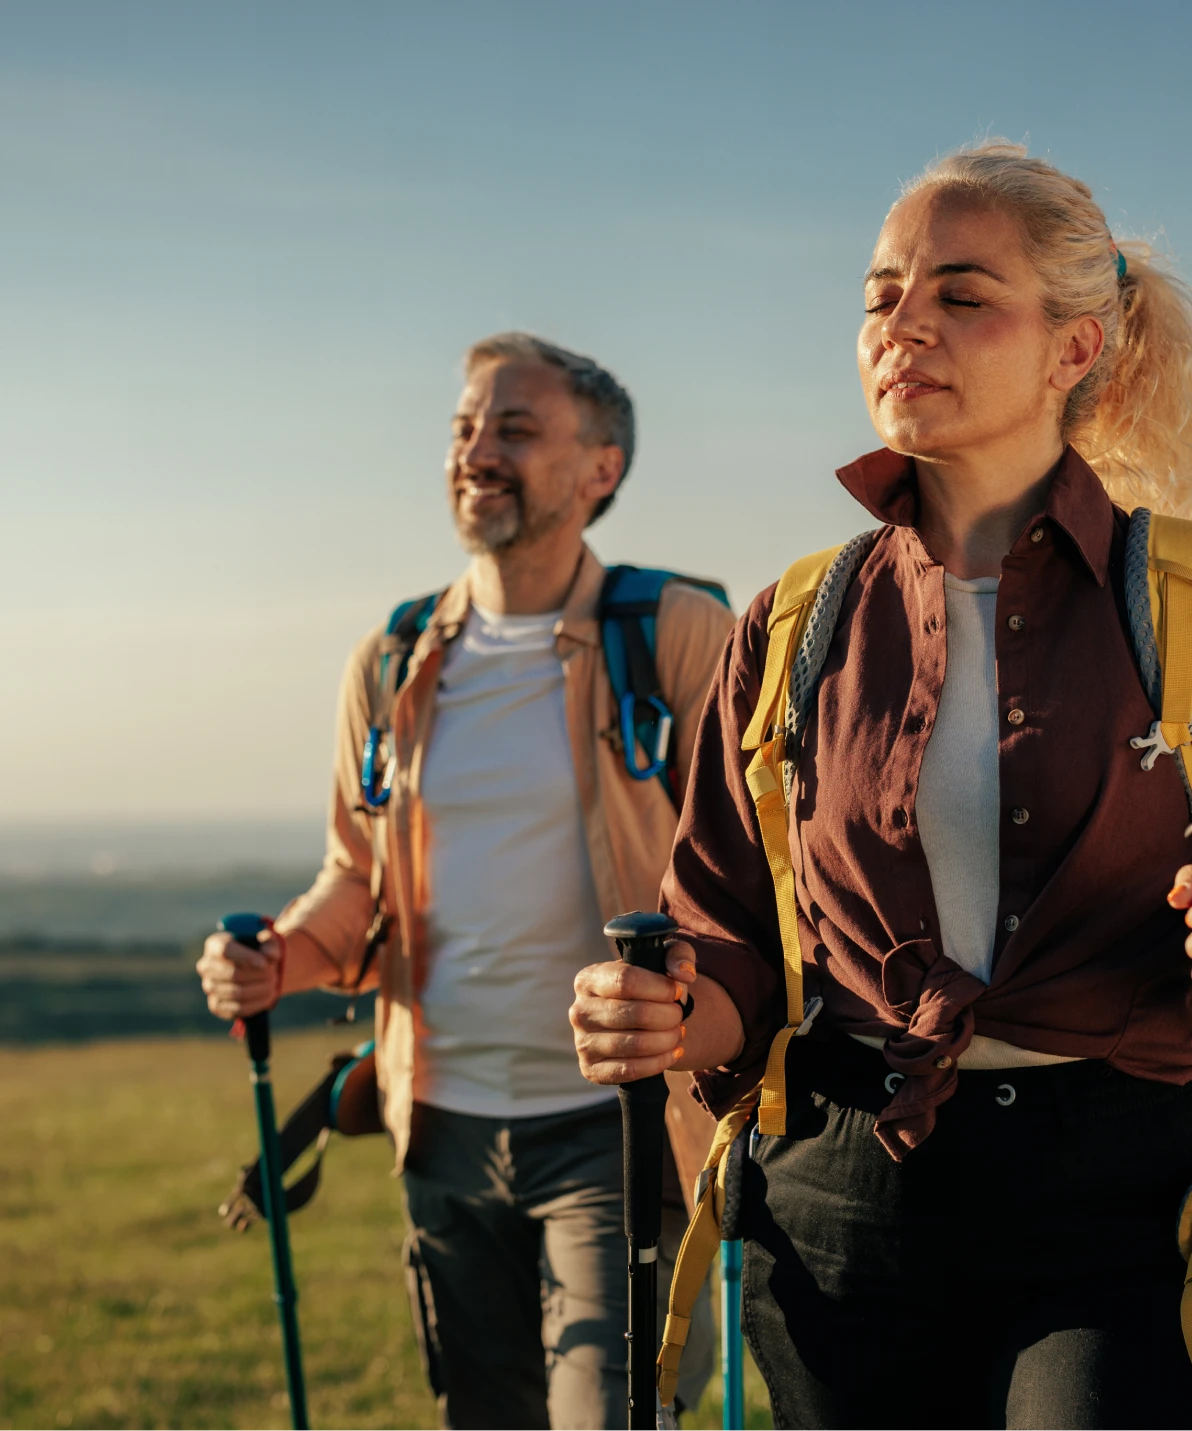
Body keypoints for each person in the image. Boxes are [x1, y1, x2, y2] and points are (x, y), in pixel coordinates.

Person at [571, 143, 1192, 1430]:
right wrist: (674, 1012)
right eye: (880, 294)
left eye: (962, 295)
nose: (902, 324)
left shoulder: (1180, 604)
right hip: (840, 1204)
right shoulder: (795, 619)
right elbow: (732, 932)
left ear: (1073, 351)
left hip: (1117, 1199)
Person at [197, 333, 731, 1430]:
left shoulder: (675, 635)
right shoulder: (394, 659)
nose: (476, 452)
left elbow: (748, 871)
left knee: (616, 1415)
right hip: (437, 1126)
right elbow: (358, 874)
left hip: (616, 1122)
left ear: (601, 468)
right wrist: (281, 959)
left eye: (515, 430)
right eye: (464, 429)